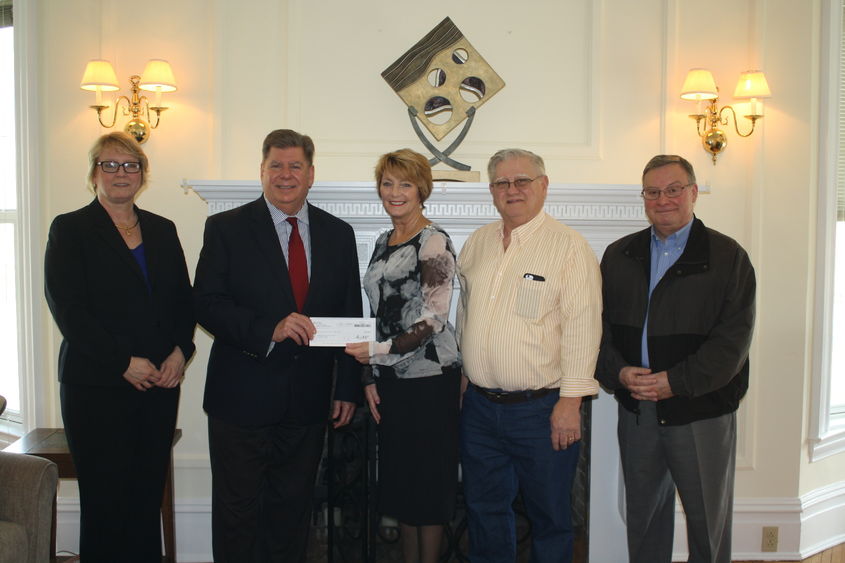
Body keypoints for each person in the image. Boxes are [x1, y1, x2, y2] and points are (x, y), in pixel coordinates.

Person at [194, 129, 363, 562]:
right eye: (276, 165)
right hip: (241, 398)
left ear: (310, 174)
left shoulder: (338, 234)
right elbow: (206, 305)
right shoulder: (226, 228)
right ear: (262, 171)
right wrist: (268, 328)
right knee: (238, 512)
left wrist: (346, 389)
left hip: (308, 401)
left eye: (295, 166)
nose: (285, 175)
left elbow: (348, 314)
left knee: (293, 511)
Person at [596, 154, 756, 563]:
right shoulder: (619, 255)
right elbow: (597, 330)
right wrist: (618, 372)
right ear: (643, 197)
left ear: (693, 193)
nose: (662, 200)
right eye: (653, 192)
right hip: (638, 412)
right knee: (644, 519)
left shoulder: (727, 256)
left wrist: (675, 382)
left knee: (708, 522)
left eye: (673, 190)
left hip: (699, 410)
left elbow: (731, 343)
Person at [44, 131, 195, 563]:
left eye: (131, 165)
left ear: (143, 176)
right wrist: (121, 363)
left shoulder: (163, 230)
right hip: (97, 387)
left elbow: (184, 303)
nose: (121, 173)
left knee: (146, 499)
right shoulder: (70, 229)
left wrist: (180, 354)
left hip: (159, 388)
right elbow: (69, 311)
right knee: (106, 503)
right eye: (110, 165)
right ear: (94, 174)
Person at [457, 148, 602, 562]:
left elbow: (583, 328)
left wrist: (571, 403)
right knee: (484, 511)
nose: (512, 189)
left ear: (543, 185)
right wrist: (465, 380)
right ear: (492, 191)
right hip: (480, 409)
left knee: (551, 517)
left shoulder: (569, 248)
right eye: (502, 182)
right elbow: (465, 313)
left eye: (522, 181)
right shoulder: (478, 242)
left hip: (542, 411)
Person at [344, 149, 461, 563]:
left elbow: (434, 319)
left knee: (427, 492)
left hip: (430, 382)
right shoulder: (381, 241)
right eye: (388, 182)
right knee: (405, 490)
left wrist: (378, 353)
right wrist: (372, 376)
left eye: (405, 183)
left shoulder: (434, 241)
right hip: (392, 383)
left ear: (422, 189)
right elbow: (378, 315)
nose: (395, 192)